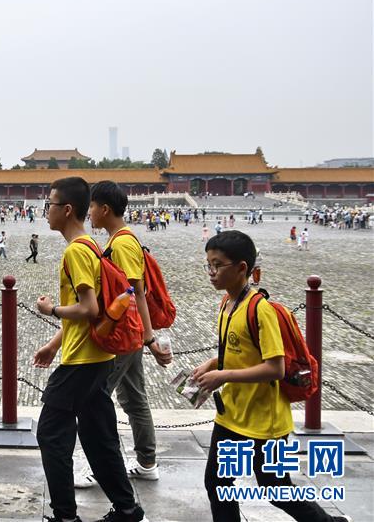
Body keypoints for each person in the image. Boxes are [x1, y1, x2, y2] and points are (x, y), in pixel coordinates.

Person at [193, 231, 349, 522]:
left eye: (218, 265)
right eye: (208, 265)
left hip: (265, 422)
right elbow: (239, 351)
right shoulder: (226, 303)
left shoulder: (259, 310)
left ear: (242, 268)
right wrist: (211, 364)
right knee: (216, 482)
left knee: (276, 489)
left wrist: (222, 376)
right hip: (232, 414)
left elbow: (275, 368)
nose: (211, 272)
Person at [32, 177, 146, 522]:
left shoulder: (76, 251)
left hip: (82, 362)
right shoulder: (91, 245)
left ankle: (65, 516)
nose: (46, 211)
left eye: (50, 205)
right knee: (98, 436)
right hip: (97, 357)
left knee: (51, 434)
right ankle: (127, 509)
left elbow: (89, 308)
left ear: (67, 210)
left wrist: (51, 309)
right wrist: (54, 344)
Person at [75, 181, 171, 490]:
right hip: (131, 335)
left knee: (95, 400)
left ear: (104, 209)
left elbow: (135, 294)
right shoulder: (119, 240)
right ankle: (146, 462)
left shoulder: (122, 245)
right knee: (133, 397)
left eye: (92, 206)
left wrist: (149, 339)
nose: (89, 212)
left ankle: (102, 467)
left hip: (124, 336)